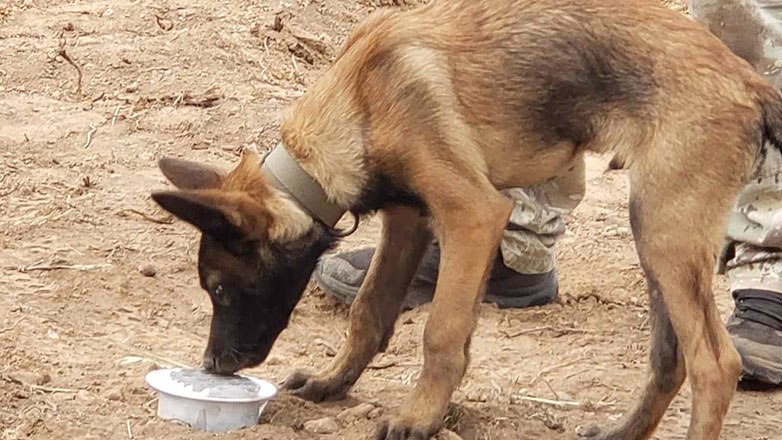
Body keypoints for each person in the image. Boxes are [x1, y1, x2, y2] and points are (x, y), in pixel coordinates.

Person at [314, 0, 782, 386]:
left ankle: (771, 265)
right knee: (533, 30)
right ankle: (517, 237)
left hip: (700, 107)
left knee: (737, 24)